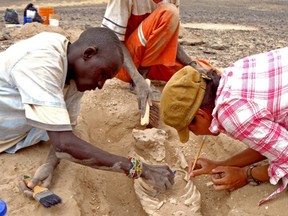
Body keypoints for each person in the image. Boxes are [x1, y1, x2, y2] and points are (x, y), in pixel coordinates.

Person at [0, 27, 175, 198]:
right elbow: (64, 143)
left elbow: (66, 130)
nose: (100, 85)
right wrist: (140, 169)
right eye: (103, 75)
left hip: (19, 134)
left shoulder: (74, 74)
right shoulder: (42, 62)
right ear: (88, 54)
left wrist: (49, 165)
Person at [160, 47, 288, 205]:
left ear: (201, 115)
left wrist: (246, 174)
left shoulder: (232, 115)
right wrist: (220, 165)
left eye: (190, 129)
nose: (194, 134)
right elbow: (268, 140)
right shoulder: (231, 74)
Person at [101, 0, 219, 116]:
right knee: (169, 12)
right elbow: (113, 40)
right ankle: (140, 78)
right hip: (125, 65)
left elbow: (169, 36)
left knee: (207, 73)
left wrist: (192, 65)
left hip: (152, 61)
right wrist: (138, 79)